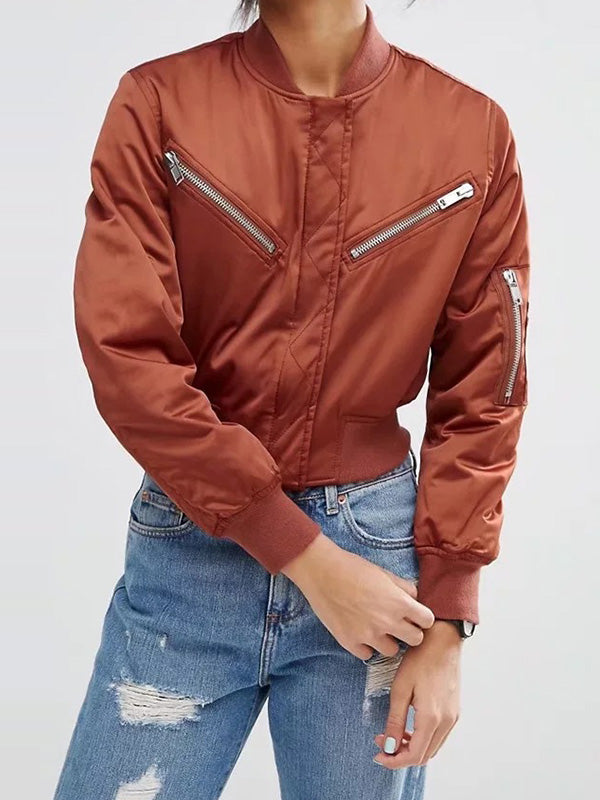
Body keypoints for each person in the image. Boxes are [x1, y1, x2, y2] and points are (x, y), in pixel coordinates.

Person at [53, 1, 530, 798]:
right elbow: (127, 354)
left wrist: (450, 614)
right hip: (193, 550)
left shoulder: (470, 131)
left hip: (381, 571)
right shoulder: (161, 103)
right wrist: (304, 556)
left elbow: (486, 389)